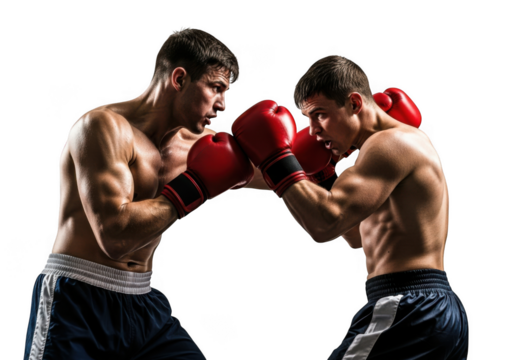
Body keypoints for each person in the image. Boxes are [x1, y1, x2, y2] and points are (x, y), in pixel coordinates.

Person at [23, 27, 273, 360]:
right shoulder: (102, 127)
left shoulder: (201, 146)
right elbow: (114, 236)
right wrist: (194, 186)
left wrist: (332, 145)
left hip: (142, 303)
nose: (223, 104)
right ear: (180, 79)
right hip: (76, 300)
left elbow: (282, 178)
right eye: (216, 88)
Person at [230, 55, 469, 359]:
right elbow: (353, 235)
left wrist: (277, 159)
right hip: (429, 308)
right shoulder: (385, 151)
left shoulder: (390, 144)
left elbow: (325, 224)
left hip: (407, 306)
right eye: (308, 119)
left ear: (355, 103)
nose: (314, 131)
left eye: (320, 115)